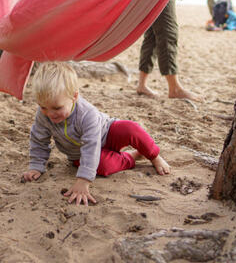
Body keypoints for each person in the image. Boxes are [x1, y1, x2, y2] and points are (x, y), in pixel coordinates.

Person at [22, 62, 170, 206]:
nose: (50, 114)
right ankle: (132, 156)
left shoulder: (87, 113)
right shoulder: (43, 115)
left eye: (57, 107)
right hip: (80, 154)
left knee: (130, 128)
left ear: (74, 96)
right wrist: (36, 166)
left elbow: (91, 145)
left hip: (106, 133)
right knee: (103, 166)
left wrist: (83, 180)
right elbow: (39, 140)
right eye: (43, 107)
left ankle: (153, 156)